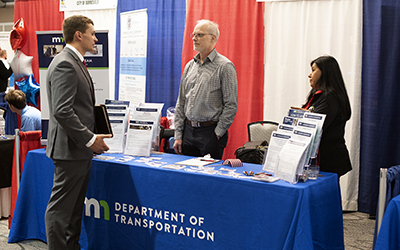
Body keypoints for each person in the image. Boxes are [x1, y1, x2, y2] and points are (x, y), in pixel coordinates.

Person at [44, 15, 111, 250]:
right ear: (78, 35)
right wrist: (90, 139)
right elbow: (62, 111)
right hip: (70, 149)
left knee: (73, 210)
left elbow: (78, 106)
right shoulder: (65, 62)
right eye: (92, 33)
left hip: (76, 149)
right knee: (60, 210)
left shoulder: (73, 61)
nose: (95, 38)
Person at [173, 19, 238, 159]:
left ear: (212, 38)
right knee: (188, 177)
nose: (194, 38)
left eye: (200, 35)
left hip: (210, 132)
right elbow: (181, 102)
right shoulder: (190, 66)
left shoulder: (225, 66)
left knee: (208, 177)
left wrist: (218, 132)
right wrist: (178, 134)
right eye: (194, 34)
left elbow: (231, 105)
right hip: (188, 131)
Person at [302, 55, 352, 177]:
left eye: (313, 70)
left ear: (325, 73)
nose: (309, 75)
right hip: (318, 159)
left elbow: (315, 125)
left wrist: (300, 118)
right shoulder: (318, 95)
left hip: (329, 160)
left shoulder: (330, 97)